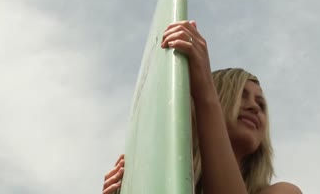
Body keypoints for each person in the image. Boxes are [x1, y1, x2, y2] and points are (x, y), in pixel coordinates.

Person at [103, 21, 302, 194]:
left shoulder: (284, 191)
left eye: (261, 105)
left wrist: (204, 89)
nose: (253, 107)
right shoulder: (165, 179)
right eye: (240, 96)